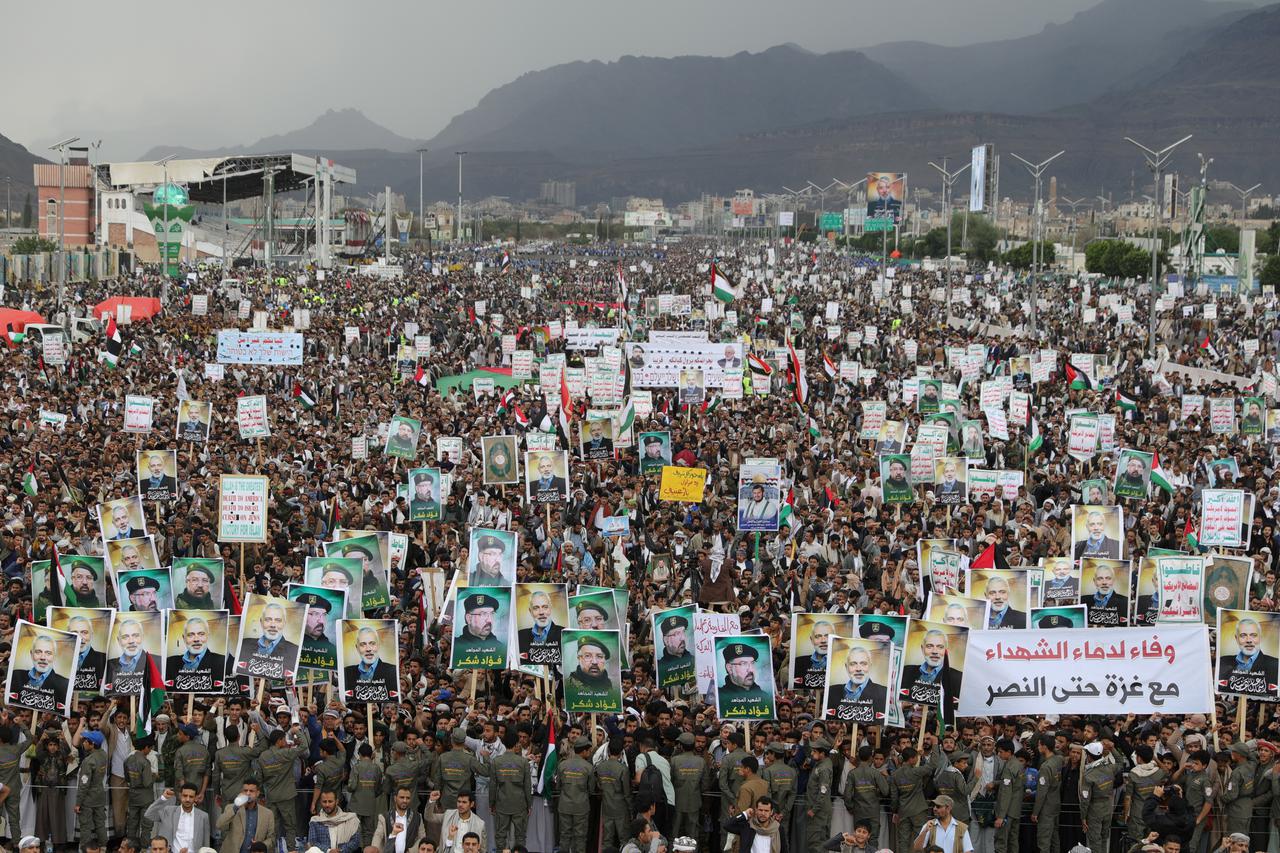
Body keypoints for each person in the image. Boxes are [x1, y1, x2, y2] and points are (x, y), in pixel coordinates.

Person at [1217, 616, 1279, 693]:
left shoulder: (1275, 665)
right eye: (1243, 635)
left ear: (1260, 638)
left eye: (1253, 635)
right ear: (1236, 638)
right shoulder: (1223, 662)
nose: (1249, 640)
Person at [824, 644, 887, 718]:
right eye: (853, 664)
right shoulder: (831, 691)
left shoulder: (883, 693)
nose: (858, 669)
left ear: (870, 666)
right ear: (846, 667)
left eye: (863, 664)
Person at [238, 602, 300, 677]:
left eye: (278, 620)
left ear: (284, 623)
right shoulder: (244, 644)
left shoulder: (294, 651)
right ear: (261, 622)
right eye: (268, 620)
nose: (273, 625)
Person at [144, 785, 211, 853]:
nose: (187, 799)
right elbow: (149, 814)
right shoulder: (169, 811)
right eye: (185, 795)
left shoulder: (203, 816)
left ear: (195, 798)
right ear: (180, 795)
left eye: (191, 797)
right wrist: (163, 798)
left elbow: (206, 843)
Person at [899, 629, 960, 704]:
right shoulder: (906, 671)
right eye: (929, 646)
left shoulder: (958, 677)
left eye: (940, 647)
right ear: (922, 649)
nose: (935, 651)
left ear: (946, 650)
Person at [164, 615, 226, 689]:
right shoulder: (170, 663)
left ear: (208, 636)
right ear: (184, 638)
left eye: (201, 634)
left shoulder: (221, 661)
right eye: (191, 635)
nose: (196, 639)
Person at [215, 778, 275, 853]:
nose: (248, 793)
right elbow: (219, 825)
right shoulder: (231, 808)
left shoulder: (268, 814)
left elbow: (271, 838)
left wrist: (261, 845)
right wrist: (236, 806)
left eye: (251, 791)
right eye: (245, 790)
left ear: (258, 793)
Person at [9, 632, 70, 702]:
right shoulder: (16, 675)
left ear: (54, 657)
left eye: (48, 653)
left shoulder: (64, 684)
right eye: (38, 652)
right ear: (31, 654)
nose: (43, 657)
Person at [453, 593, 506, 660]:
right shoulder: (456, 646)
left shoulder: (501, 648)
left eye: (492, 613)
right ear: (469, 618)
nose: (489, 620)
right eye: (483, 614)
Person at [719, 642, 771, 710]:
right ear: (729, 668)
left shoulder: (765, 697)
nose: (750, 669)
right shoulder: (719, 697)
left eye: (752, 663)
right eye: (743, 664)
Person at [517, 589, 563, 658]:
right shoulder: (520, 635)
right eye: (536, 608)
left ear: (550, 609)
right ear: (530, 611)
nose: (541, 612)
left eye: (545, 607)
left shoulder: (564, 634)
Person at [105, 617, 150, 688]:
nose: (131, 641)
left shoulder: (155, 662)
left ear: (142, 637)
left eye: (135, 636)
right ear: (118, 641)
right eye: (125, 637)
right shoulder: (109, 665)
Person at [655, 613, 694, 688]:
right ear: (666, 640)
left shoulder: (695, 661)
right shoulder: (660, 668)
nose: (683, 638)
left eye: (684, 632)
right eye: (676, 634)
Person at [792, 619, 833, 688]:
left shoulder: (841, 665)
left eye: (827, 636)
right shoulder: (798, 662)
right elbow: (793, 683)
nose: (823, 640)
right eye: (818, 636)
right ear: (811, 640)